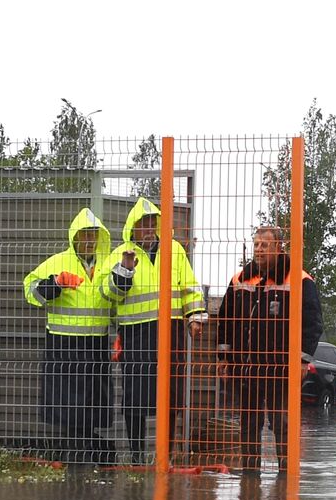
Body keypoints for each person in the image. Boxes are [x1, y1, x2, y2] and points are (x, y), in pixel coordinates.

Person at [98, 197, 206, 462]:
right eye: (142, 224)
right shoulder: (120, 253)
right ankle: (137, 455)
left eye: (152, 223)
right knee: (136, 397)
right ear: (132, 228)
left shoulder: (175, 250)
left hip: (171, 332)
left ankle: (166, 455)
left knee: (171, 394)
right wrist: (124, 270)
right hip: (136, 334)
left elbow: (189, 287)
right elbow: (106, 293)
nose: (148, 229)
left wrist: (194, 317)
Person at [215, 226, 323, 470]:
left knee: (281, 422)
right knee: (249, 423)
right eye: (256, 245)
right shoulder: (240, 280)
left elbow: (312, 322)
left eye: (264, 245)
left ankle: (285, 475)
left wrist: (303, 360)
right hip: (246, 368)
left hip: (280, 368)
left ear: (278, 248)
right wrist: (223, 356)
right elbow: (224, 320)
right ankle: (250, 476)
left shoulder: (299, 280)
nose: (259, 250)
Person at [22, 208, 115, 463]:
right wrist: (55, 284)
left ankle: (88, 452)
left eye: (93, 235)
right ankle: (77, 456)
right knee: (69, 404)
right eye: (84, 235)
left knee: (94, 401)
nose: (89, 241)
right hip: (64, 343)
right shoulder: (57, 262)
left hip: (97, 343)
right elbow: (30, 291)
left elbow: (117, 298)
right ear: (74, 238)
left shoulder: (108, 264)